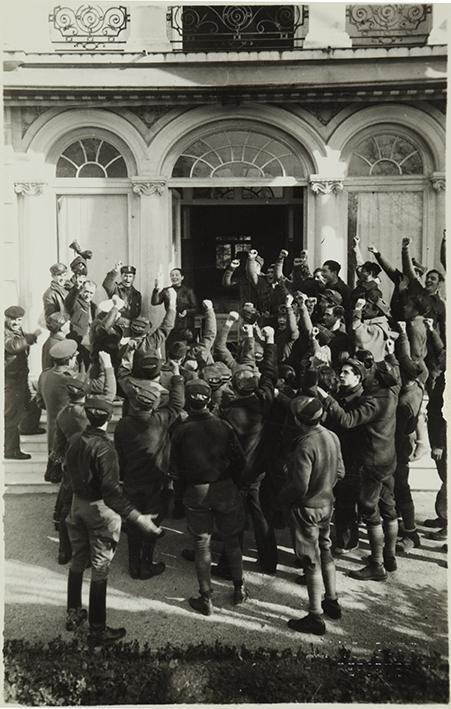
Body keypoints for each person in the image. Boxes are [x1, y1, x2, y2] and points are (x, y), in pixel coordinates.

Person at [64, 397, 163, 647]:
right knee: (100, 567)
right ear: (108, 419)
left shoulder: (75, 439)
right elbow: (111, 493)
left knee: (78, 560)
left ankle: (74, 614)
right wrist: (138, 517)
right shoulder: (105, 449)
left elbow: (66, 469)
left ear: (88, 416)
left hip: (77, 505)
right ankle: (98, 630)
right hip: (99, 510)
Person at [318, 351, 400, 581]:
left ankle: (376, 564)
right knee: (389, 507)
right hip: (388, 460)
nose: (367, 377)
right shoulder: (392, 392)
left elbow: (347, 420)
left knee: (370, 510)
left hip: (372, 463)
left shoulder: (374, 401)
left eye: (371, 375)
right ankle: (390, 556)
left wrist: (326, 397)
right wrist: (392, 353)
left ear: (377, 380)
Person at [170, 380, 248, 616]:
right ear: (209, 401)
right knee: (232, 541)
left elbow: (174, 469)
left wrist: (181, 493)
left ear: (188, 402)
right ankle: (239, 588)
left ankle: (206, 597)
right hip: (224, 489)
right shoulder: (223, 426)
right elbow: (240, 460)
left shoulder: (181, 430)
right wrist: (234, 483)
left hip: (196, 491)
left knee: (201, 543)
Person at [278, 396, 344, 635]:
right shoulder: (332, 437)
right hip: (327, 504)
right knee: (325, 549)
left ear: (297, 419)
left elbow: (299, 487)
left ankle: (315, 616)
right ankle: (332, 600)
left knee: (310, 560)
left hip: (307, 509)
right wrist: (325, 485)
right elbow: (340, 471)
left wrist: (283, 498)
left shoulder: (304, 445)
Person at [114, 365, 185, 579]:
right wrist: (177, 377)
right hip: (156, 481)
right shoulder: (160, 421)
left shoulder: (123, 425)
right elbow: (177, 403)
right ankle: (146, 562)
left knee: (135, 521)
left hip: (133, 480)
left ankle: (134, 564)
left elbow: (119, 453)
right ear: (154, 405)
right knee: (153, 521)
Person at [4, 305, 41, 459]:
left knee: (31, 403)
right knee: (12, 414)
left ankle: (29, 427)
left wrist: (30, 336)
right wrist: (31, 338)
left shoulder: (17, 331)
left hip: (20, 376)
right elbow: (14, 345)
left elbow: (21, 339)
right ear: (6, 318)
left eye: (19, 320)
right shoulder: (5, 333)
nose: (16, 322)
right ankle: (11, 450)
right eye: (13, 319)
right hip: (11, 380)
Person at [37, 339, 79, 452]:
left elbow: (40, 402)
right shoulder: (69, 379)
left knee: (53, 464)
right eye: (75, 356)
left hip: (52, 433)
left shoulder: (44, 375)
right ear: (69, 360)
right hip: (68, 432)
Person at [151, 268, 197, 347]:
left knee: (182, 349)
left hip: (184, 327)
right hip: (170, 326)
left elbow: (195, 309)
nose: (174, 277)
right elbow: (155, 302)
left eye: (176, 275)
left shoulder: (188, 291)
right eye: (172, 275)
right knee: (170, 348)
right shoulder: (166, 291)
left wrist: (187, 312)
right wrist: (156, 290)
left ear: (182, 277)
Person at [65, 280, 98, 370]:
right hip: (76, 342)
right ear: (81, 290)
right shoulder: (76, 303)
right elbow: (69, 302)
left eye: (91, 293)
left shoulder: (94, 307)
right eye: (86, 291)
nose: (88, 295)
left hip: (89, 344)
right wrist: (76, 288)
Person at [102, 261, 142, 334]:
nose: (127, 279)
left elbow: (137, 314)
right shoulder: (115, 288)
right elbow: (106, 284)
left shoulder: (137, 294)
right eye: (125, 276)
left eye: (130, 276)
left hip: (130, 329)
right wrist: (115, 270)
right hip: (115, 327)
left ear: (134, 278)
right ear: (121, 276)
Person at [42, 263, 69, 328]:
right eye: (59, 275)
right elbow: (50, 319)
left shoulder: (69, 288)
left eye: (64, 275)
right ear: (53, 276)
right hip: (63, 329)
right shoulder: (49, 294)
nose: (63, 278)